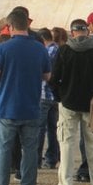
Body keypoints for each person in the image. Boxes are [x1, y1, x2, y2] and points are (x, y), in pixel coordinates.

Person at [0, 8, 51, 185]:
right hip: (31, 106)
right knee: (30, 150)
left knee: (4, 149)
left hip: (7, 106)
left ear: (11, 26)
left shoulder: (4, 48)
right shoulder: (40, 48)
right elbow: (47, 75)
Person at [51, 19, 93, 185]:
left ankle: (65, 184)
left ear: (72, 32)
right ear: (87, 31)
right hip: (91, 105)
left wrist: (59, 96)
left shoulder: (64, 51)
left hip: (68, 102)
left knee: (67, 142)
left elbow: (54, 78)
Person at [38, 28, 60, 169]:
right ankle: (52, 158)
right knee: (54, 129)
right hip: (56, 97)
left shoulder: (45, 52)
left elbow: (43, 73)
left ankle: (36, 158)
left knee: (39, 129)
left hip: (44, 93)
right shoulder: (60, 49)